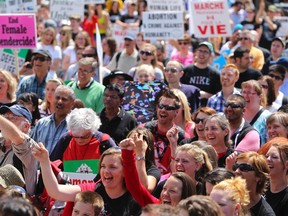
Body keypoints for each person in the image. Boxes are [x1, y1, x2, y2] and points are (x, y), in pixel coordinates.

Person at [32, 145, 141, 216]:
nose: (105, 171)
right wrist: (44, 161)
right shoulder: (90, 189)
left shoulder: (136, 199)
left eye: (112, 167)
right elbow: (55, 191)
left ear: (125, 171)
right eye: (103, 166)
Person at [119, 138, 196, 207]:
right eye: (164, 189)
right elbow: (133, 186)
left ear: (185, 196)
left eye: (172, 191)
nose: (165, 194)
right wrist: (127, 153)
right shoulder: (157, 207)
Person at [142, 90, 187, 174]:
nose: (163, 110)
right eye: (161, 106)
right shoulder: (144, 130)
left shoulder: (183, 137)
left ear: (176, 112)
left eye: (168, 108)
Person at [50, 107, 116, 164]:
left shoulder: (104, 141)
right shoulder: (66, 139)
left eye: (84, 136)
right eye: (76, 136)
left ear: (93, 130)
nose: (79, 140)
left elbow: (117, 164)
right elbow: (52, 164)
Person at [0, 105, 38, 196]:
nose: (7, 121)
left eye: (13, 118)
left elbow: (18, 137)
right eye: (5, 117)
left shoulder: (30, 147)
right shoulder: (1, 141)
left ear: (26, 126)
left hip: (15, 205)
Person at [226, 152, 275, 216]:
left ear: (259, 176)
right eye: (235, 166)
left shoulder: (266, 213)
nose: (237, 171)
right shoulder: (226, 201)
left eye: (244, 168)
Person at [31, 85, 75, 154]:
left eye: (64, 99)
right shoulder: (41, 124)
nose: (59, 102)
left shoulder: (76, 127)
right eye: (57, 98)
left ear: (72, 103)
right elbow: (31, 149)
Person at [181, 41, 221, 106]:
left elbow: (218, 96)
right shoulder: (186, 70)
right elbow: (180, 90)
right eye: (200, 51)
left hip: (207, 109)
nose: (202, 54)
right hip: (188, 108)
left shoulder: (215, 74)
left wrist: (207, 95)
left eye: (205, 52)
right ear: (196, 52)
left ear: (210, 55)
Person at [241, 80, 271, 145]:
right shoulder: (237, 113)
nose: (245, 96)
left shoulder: (267, 117)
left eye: (249, 93)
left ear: (260, 96)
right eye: (244, 92)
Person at [265, 137, 288, 216]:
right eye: (267, 156)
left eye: (274, 157)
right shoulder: (260, 188)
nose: (268, 159)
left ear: (286, 164)